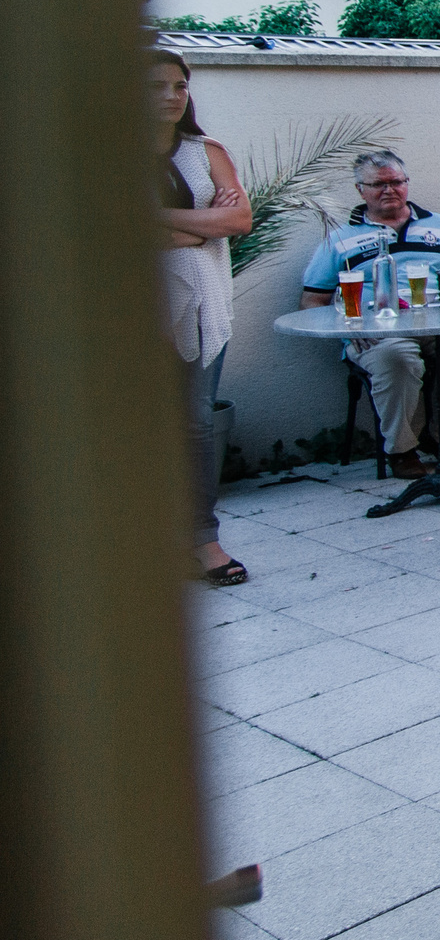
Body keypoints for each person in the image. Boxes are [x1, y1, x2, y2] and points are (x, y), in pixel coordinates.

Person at [299, 150, 440, 477]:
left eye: (397, 182)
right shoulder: (340, 237)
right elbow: (312, 300)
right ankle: (402, 450)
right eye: (379, 184)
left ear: (407, 184)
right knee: (399, 357)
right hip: (375, 332)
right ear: (360, 189)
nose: (389, 190)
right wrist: (349, 332)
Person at [151, 50, 252, 585]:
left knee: (194, 425)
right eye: (156, 86)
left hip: (201, 306)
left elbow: (238, 218)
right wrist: (201, 225)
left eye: (180, 85)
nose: (171, 95)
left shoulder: (205, 151)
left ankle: (202, 541)